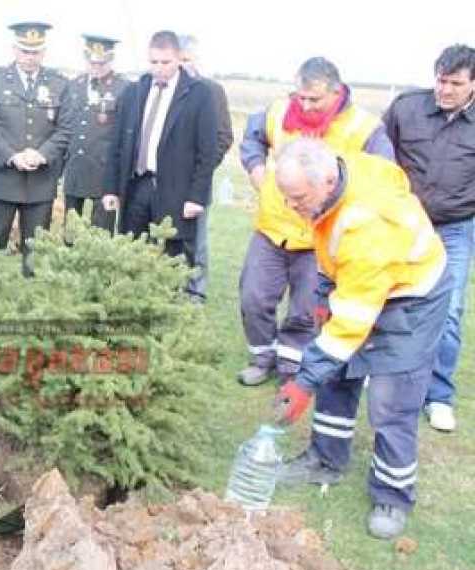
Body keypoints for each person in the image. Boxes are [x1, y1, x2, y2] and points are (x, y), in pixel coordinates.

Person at [272, 139, 450, 541]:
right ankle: (325, 459)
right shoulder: (337, 178)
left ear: (327, 180)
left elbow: (353, 321)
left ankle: (393, 493)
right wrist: (323, 299)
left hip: (412, 296)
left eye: (297, 198)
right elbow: (333, 255)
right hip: (359, 278)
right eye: (286, 197)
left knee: (392, 398)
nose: (291, 207)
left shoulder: (367, 223)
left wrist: (303, 382)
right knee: (337, 375)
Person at [235, 57, 393, 386]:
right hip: (272, 229)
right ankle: (262, 357)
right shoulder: (278, 111)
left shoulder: (363, 127)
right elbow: (252, 138)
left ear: (336, 93)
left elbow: (384, 176)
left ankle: (292, 363)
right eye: (300, 97)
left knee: (306, 309)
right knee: (254, 297)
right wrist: (256, 167)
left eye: (314, 99)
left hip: (320, 237)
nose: (305, 105)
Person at [384, 44, 475, 433]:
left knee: (448, 311)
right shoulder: (407, 109)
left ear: (472, 83)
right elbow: (378, 158)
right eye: (441, 80)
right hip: (403, 225)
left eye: (455, 83)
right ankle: (386, 374)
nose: (446, 89)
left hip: (455, 228)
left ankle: (438, 396)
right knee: (391, 299)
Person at [102, 30, 217, 268]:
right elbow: (117, 144)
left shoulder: (199, 94)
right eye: (154, 62)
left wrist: (196, 197)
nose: (159, 68)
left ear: (178, 59)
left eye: (166, 62)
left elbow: (207, 152)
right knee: (130, 254)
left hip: (176, 191)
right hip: (137, 187)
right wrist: (111, 189)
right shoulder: (134, 92)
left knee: (172, 259)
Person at [0, 21, 73, 278]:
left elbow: (65, 129)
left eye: (36, 51)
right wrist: (11, 156)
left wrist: (43, 154)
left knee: (36, 255)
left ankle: (32, 307)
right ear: (14, 49)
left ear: (44, 52)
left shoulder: (59, 84)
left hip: (40, 184)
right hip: (2, 181)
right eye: (25, 51)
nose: (30, 57)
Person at [178, 34, 233, 301]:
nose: (184, 65)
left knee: (195, 240)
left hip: (196, 181)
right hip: (162, 180)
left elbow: (224, 136)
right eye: (181, 60)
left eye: (189, 59)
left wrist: (203, 168)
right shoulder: (163, 88)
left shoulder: (212, 90)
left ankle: (195, 292)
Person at [62, 34, 127, 236]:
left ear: (111, 59)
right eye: (92, 62)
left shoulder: (123, 88)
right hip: (75, 169)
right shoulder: (74, 86)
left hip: (104, 174)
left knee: (102, 234)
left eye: (102, 62)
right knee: (71, 234)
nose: (96, 66)